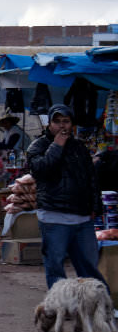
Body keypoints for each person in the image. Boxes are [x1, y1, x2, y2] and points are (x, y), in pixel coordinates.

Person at [27, 104, 108, 289]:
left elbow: (91, 179)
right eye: (57, 122)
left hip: (82, 218)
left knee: (89, 267)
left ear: (72, 124)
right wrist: (57, 145)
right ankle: (60, 307)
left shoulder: (79, 147)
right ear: (49, 124)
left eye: (66, 121)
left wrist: (95, 207)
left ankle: (98, 307)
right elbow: (41, 170)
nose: (62, 126)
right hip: (54, 218)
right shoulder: (38, 146)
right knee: (55, 267)